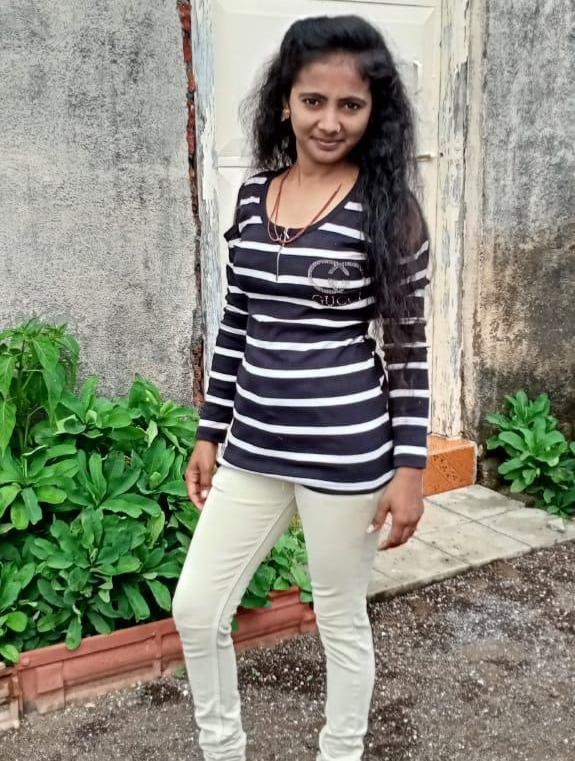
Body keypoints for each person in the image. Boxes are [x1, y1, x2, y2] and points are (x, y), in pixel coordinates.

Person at [172, 14, 432, 761]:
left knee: (339, 621)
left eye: (350, 105)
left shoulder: (388, 210)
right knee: (196, 608)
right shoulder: (253, 196)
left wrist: (409, 470)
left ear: (375, 112)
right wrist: (209, 430)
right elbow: (237, 324)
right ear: (284, 101)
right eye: (313, 100)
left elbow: (407, 350)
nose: (329, 120)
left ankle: (339, 753)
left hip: (346, 456)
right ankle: (222, 749)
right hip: (253, 446)